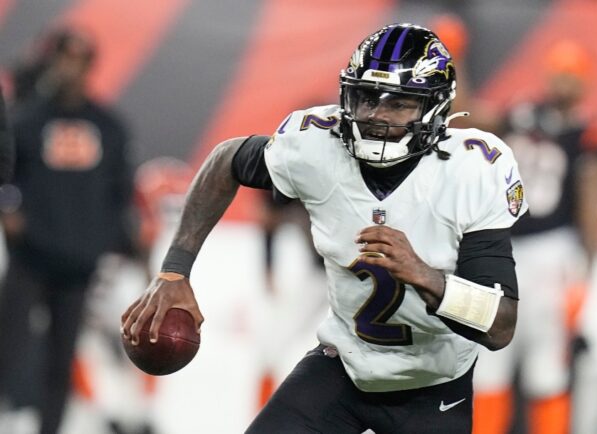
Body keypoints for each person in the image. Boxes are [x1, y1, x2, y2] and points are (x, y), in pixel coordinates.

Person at [122, 23, 528, 433]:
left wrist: (426, 278)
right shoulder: (317, 144)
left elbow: (500, 325)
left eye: (399, 103)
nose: (377, 118)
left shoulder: (473, 169)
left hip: (434, 386)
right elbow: (227, 159)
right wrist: (175, 269)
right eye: (367, 98)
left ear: (435, 109)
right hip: (343, 368)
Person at [472, 38, 597, 434]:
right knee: (489, 362)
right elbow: (469, 120)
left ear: (585, 82)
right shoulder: (520, 114)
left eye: (573, 74)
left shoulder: (590, 136)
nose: (564, 81)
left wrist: (588, 274)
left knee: (548, 367)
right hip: (503, 246)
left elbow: (592, 204)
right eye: (560, 71)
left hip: (553, 255)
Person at [0, 28, 135, 434]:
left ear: (90, 67)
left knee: (61, 362)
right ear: (52, 61)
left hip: (79, 262)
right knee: (7, 351)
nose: (70, 69)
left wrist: (112, 242)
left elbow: (121, 192)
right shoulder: (26, 119)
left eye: (78, 61)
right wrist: (9, 204)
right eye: (63, 59)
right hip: (30, 258)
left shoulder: (109, 126)